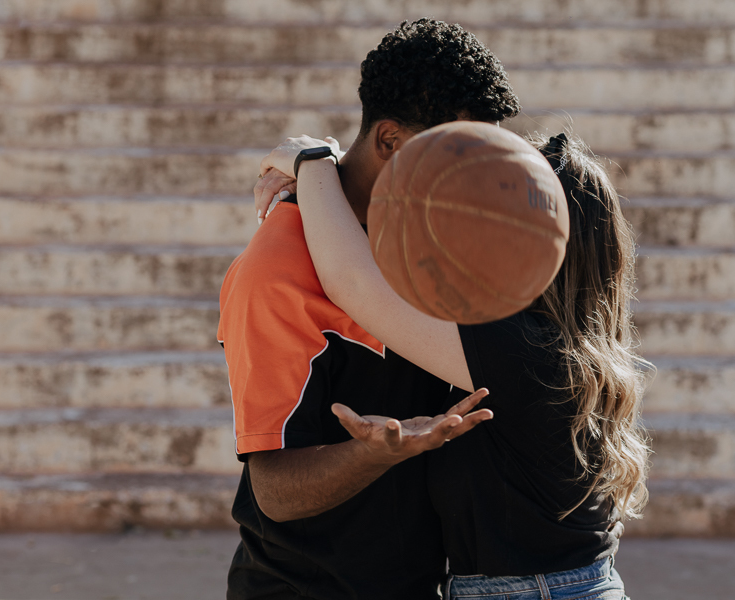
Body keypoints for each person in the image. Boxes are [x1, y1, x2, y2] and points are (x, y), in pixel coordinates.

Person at [257, 131, 650, 599]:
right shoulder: (568, 345)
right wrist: (345, 171)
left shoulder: (525, 348)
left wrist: (315, 164)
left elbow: (353, 281)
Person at [218, 19, 520, 600]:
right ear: (391, 141)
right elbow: (274, 492)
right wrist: (374, 454)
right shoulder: (275, 270)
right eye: (459, 157)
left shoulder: (431, 233)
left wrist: (312, 161)